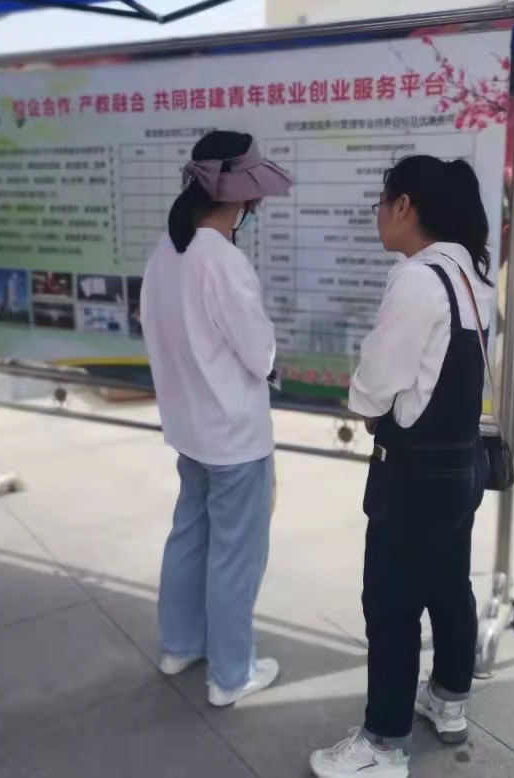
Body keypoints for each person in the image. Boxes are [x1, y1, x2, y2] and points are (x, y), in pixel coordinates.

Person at [310, 156, 492, 778]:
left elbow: (373, 389)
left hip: (414, 476)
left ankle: (383, 744)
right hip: (462, 464)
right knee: (449, 586)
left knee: (390, 604)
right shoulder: (470, 275)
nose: (379, 214)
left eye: (382, 202)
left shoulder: (417, 279)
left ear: (405, 205)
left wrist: (366, 404)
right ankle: (448, 699)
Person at [139, 130, 292, 707]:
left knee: (189, 536)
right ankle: (231, 676)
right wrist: (273, 360)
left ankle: (179, 645)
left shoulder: (166, 252)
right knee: (235, 555)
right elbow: (259, 352)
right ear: (241, 197)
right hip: (234, 436)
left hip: (189, 429)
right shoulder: (222, 260)